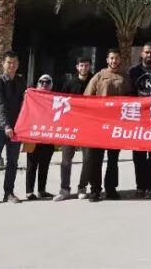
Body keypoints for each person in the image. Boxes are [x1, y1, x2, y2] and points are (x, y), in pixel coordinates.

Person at [83, 48, 132, 202]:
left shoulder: (125, 77)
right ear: (107, 60)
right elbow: (87, 97)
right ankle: (95, 190)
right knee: (95, 159)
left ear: (120, 60)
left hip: (116, 125)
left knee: (113, 160)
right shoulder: (99, 76)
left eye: (116, 58)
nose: (114, 61)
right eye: (111, 58)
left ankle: (111, 189)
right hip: (98, 124)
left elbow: (131, 99)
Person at [0, 51, 26, 206]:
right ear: (3, 64)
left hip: (17, 128)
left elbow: (25, 102)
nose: (12, 65)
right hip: (0, 127)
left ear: (18, 64)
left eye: (14, 62)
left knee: (13, 162)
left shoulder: (21, 82)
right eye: (9, 62)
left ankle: (9, 192)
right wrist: (7, 126)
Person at [128, 42, 151, 198]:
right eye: (146, 52)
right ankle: (140, 186)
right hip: (138, 119)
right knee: (138, 156)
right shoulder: (133, 71)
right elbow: (128, 93)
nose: (149, 55)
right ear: (142, 54)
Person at [55, 56, 92, 201]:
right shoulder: (69, 83)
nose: (84, 68)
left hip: (88, 126)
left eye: (86, 65)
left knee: (88, 158)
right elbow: (61, 102)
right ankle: (64, 189)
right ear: (77, 67)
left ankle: (82, 187)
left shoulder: (94, 81)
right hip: (70, 126)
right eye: (81, 65)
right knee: (66, 159)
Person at [24, 74, 56, 200]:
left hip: (48, 137)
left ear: (51, 85)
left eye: (47, 82)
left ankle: (42, 190)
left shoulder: (54, 99)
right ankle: (29, 192)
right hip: (33, 137)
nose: (44, 84)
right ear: (37, 84)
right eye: (41, 82)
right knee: (31, 165)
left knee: (44, 165)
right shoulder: (31, 97)